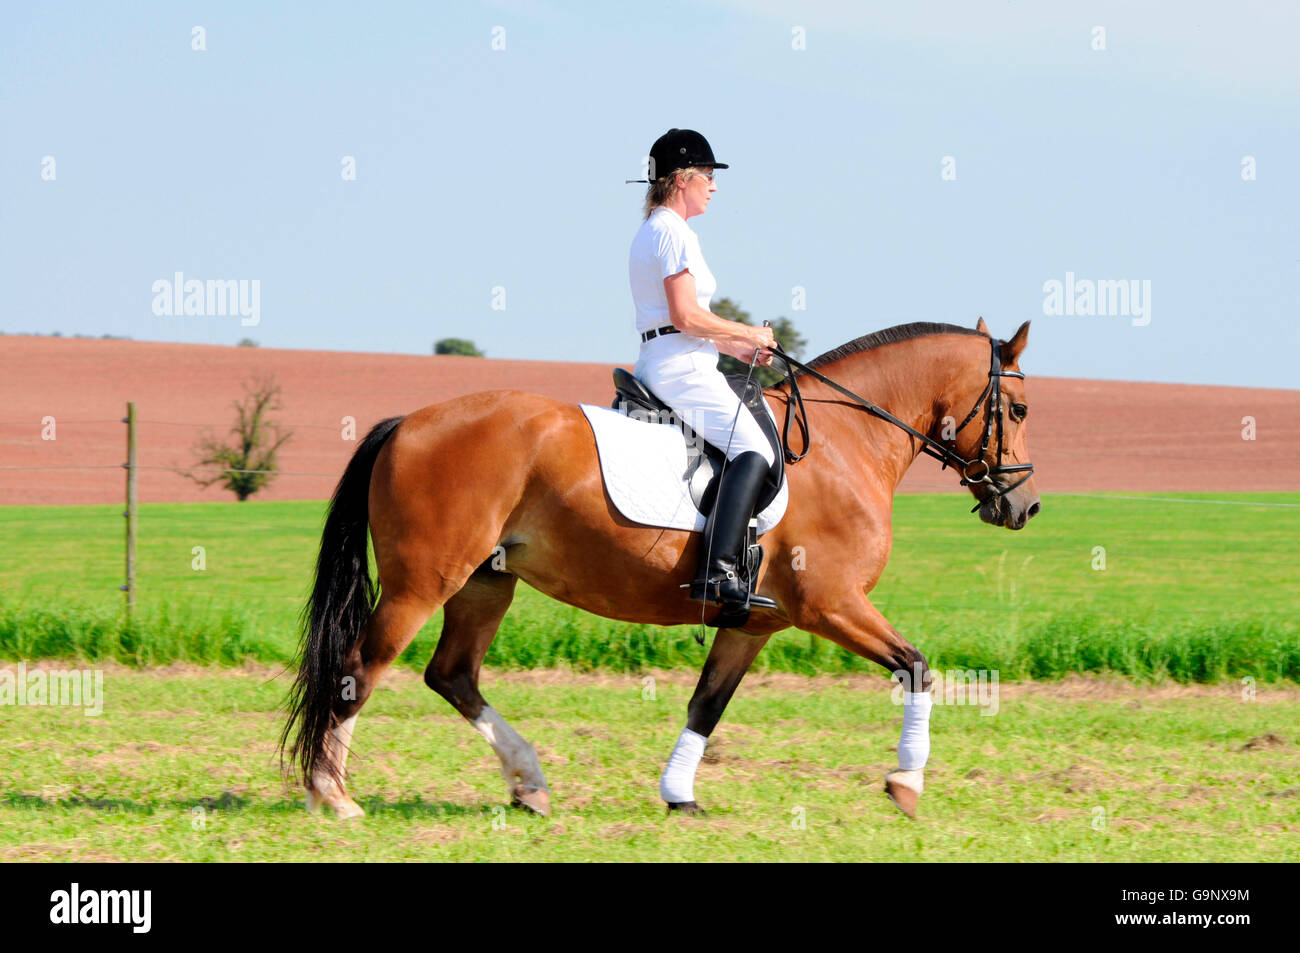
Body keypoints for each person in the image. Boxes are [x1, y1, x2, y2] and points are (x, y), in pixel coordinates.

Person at [627, 128, 778, 612]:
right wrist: (750, 333)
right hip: (681, 367)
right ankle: (719, 571)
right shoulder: (674, 232)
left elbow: (686, 324)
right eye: (708, 176)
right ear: (681, 180)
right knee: (754, 450)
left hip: (671, 357)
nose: (714, 186)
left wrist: (739, 346)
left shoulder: (655, 228)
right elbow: (686, 317)